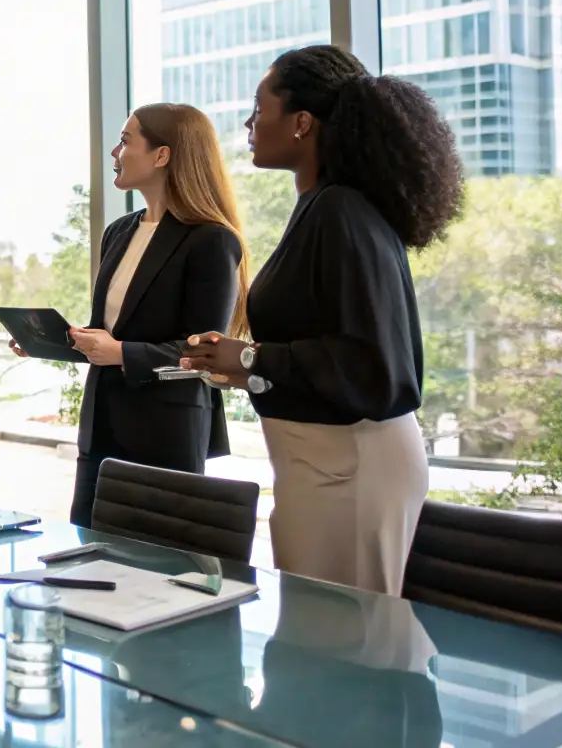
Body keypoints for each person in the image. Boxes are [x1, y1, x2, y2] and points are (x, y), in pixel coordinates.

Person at [180, 44, 464, 595]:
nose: (249, 122)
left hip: (353, 467)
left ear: (301, 122)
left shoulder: (342, 212)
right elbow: (322, 350)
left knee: (350, 657)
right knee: (320, 651)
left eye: (260, 109)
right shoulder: (321, 208)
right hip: (323, 465)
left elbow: (375, 367)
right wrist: (245, 368)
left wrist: (252, 358)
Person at [13, 104, 248, 528]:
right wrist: (50, 339)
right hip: (102, 423)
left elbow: (205, 352)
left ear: (162, 155)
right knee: (90, 556)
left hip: (165, 432)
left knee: (157, 572)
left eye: (125, 141)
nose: (114, 152)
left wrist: (121, 352)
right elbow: (107, 335)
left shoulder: (211, 241)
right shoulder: (119, 231)